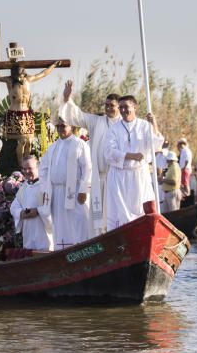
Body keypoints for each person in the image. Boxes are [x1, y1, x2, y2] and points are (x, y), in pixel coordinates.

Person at [60, 81, 122, 236]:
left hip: (117, 177)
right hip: (99, 178)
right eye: (106, 105)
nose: (108, 108)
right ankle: (99, 241)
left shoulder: (125, 125)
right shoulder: (97, 122)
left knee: (116, 214)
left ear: (119, 107)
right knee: (98, 217)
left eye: (111, 105)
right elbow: (78, 116)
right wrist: (68, 99)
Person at [0, 59, 60, 162]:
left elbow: (43, 73)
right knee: (22, 140)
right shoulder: (9, 81)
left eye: (20, 74)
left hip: (26, 115)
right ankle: (21, 165)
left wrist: (53, 65)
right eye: (15, 74)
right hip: (15, 115)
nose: (18, 77)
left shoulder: (29, 80)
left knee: (30, 141)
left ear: (23, 73)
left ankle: (27, 162)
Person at [104, 96, 164, 230]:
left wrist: (154, 124)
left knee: (142, 209)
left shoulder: (144, 125)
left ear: (134, 107)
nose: (123, 110)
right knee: (121, 214)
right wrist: (131, 156)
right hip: (120, 176)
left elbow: (156, 145)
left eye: (126, 107)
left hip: (139, 175)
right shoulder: (114, 129)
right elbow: (109, 152)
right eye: (121, 107)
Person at [39, 116, 92, 249]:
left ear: (72, 126)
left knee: (78, 220)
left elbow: (88, 168)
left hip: (74, 191)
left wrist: (83, 189)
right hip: (56, 192)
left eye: (64, 126)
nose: (60, 129)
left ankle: (81, 249)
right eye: (58, 126)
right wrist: (45, 189)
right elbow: (43, 169)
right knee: (60, 223)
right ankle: (62, 251)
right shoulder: (53, 147)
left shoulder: (80, 144)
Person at [9, 156, 54, 251]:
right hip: (28, 234)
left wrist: (37, 211)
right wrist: (21, 213)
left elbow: (52, 206)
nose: (26, 171)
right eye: (24, 169)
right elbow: (14, 207)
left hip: (43, 234)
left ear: (38, 167)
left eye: (29, 168)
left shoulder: (45, 186)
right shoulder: (24, 187)